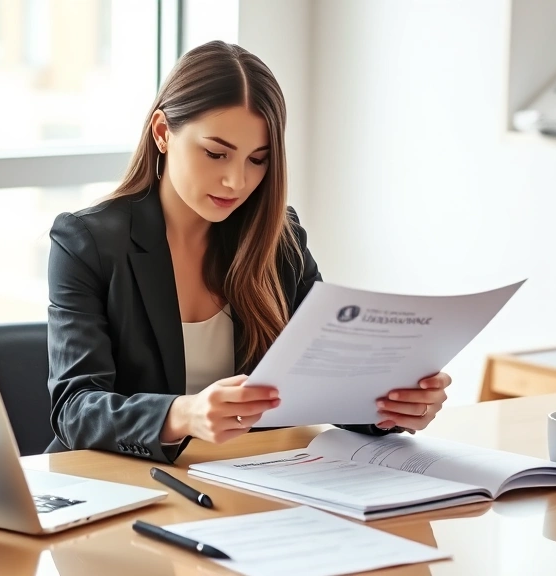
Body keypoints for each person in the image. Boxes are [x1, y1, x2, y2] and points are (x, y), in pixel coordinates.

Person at [45, 41, 450, 463]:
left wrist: (389, 407)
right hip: (120, 484)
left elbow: (325, 377)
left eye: (257, 160)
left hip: (246, 480)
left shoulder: (279, 239)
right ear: (163, 133)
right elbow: (75, 408)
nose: (236, 182)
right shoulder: (87, 242)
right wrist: (183, 414)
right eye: (216, 154)